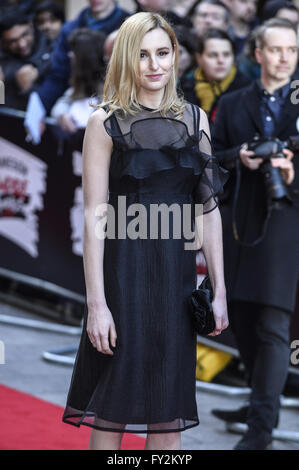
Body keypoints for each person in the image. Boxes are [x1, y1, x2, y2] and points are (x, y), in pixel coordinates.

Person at [62, 12, 229, 450]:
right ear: (124, 61)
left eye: (163, 52)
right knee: (111, 410)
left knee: (168, 412)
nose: (155, 64)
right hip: (123, 278)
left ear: (175, 56)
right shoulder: (105, 123)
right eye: (142, 55)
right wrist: (96, 305)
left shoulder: (196, 121)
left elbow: (207, 211)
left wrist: (219, 291)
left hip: (176, 283)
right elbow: (94, 218)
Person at [211, 17, 298, 450]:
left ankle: (260, 430)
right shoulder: (233, 102)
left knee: (271, 324)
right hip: (240, 225)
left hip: (287, 224)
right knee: (242, 321)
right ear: (259, 54)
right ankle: (260, 402)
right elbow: (211, 157)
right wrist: (238, 158)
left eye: (293, 50)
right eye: (277, 49)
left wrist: (292, 171)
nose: (285, 58)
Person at [181, 28, 250, 124]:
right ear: (199, 58)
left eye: (226, 54)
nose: (221, 61)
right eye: (213, 55)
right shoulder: (184, 88)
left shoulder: (247, 90)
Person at [50, 28, 106, 133]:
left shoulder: (108, 89)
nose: (70, 55)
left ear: (87, 56)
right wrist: (62, 115)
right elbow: (61, 104)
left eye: (74, 51)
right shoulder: (80, 85)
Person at [0, 10, 52, 110]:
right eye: (13, 41)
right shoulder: (3, 61)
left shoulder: (51, 50)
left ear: (31, 26)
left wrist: (29, 90)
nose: (22, 44)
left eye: (24, 35)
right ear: (3, 41)